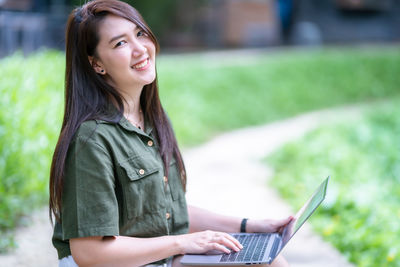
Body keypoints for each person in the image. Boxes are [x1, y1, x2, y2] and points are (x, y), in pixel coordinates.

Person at [49, 0, 293, 266]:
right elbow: (90, 253)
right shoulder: (92, 139)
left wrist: (249, 226)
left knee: (270, 257)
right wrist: (183, 243)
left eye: (140, 34)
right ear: (96, 64)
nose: (140, 49)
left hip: (157, 260)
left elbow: (167, 213)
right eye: (121, 43)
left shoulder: (151, 120)